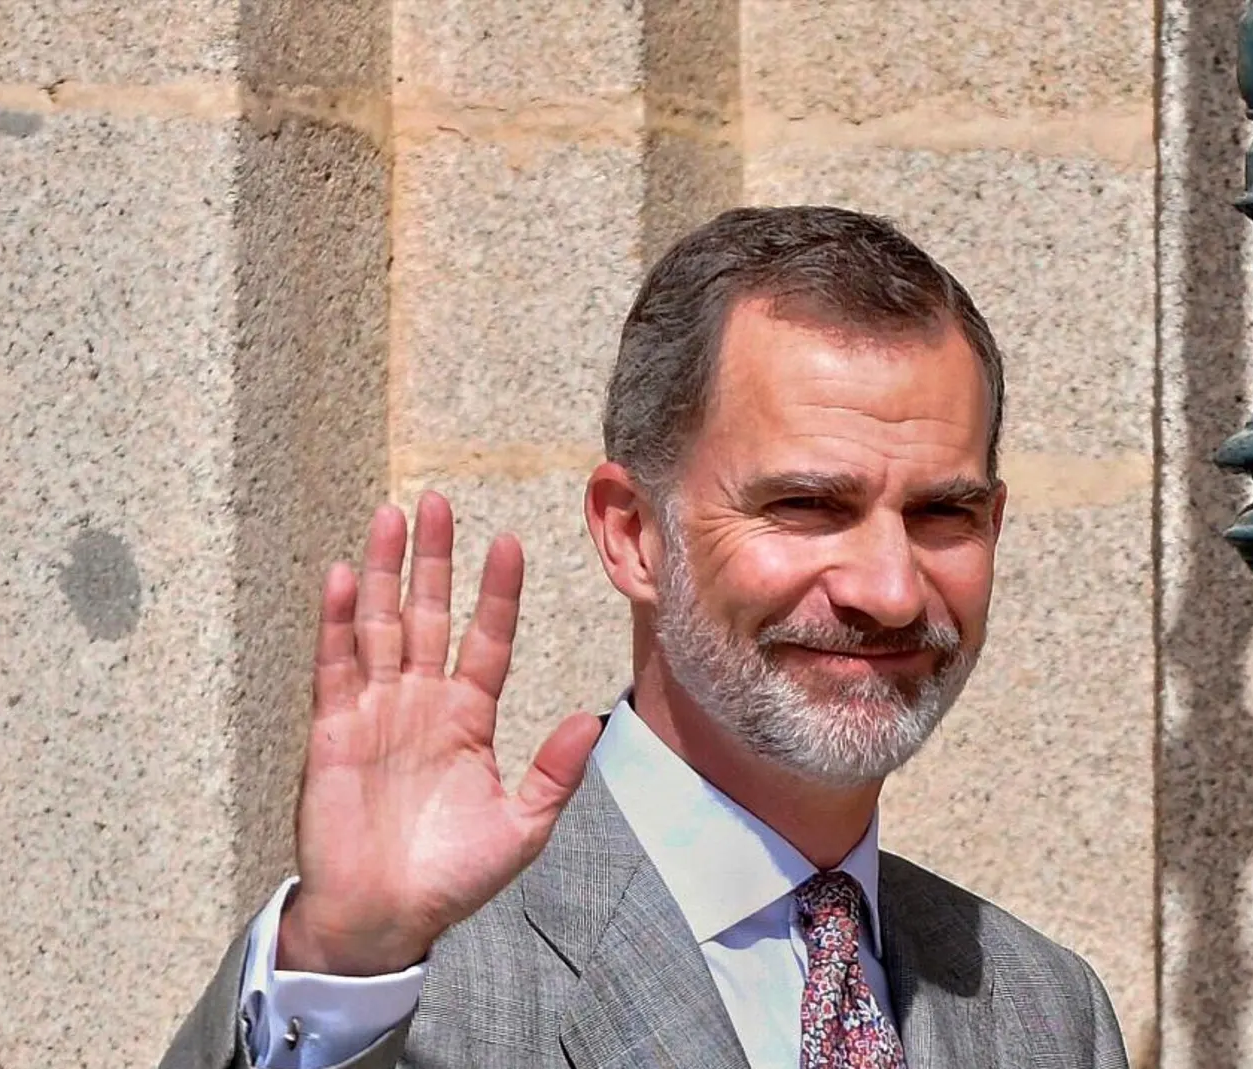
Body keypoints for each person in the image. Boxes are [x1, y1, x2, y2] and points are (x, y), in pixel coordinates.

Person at [162, 205, 1129, 1069]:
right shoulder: (420, 975)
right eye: (804, 505)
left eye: (942, 515)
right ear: (634, 534)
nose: (887, 587)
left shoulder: (1045, 1007)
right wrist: (343, 970)